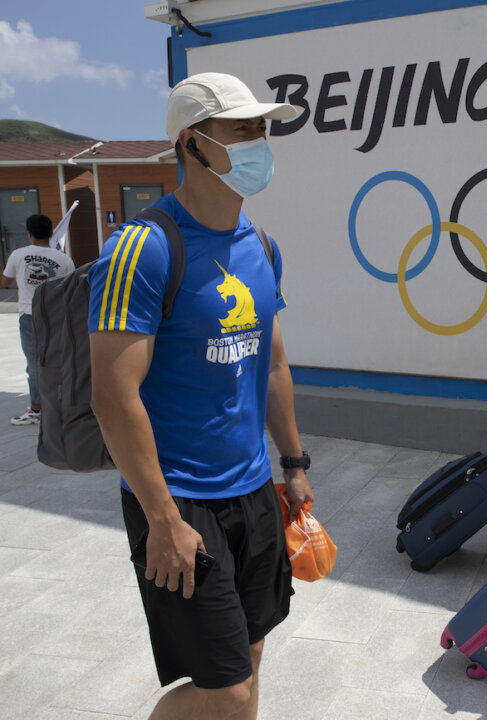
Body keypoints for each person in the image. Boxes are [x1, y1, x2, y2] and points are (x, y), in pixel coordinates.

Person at [87, 72, 312, 719]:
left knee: (253, 655)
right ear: (191, 142)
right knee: (225, 688)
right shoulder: (142, 248)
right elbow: (113, 397)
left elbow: (272, 363)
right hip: (180, 499)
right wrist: (162, 519)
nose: (258, 142)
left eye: (262, 129)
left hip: (253, 490)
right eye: (242, 129)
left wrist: (293, 464)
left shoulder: (260, 246)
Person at [1, 214, 75, 425]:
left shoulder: (18, 255)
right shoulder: (64, 259)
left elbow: (4, 282)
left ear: (29, 233)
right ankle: (64, 405)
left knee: (34, 363)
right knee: (59, 360)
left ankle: (36, 409)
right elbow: (71, 289)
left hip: (29, 315)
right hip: (56, 315)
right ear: (51, 233)